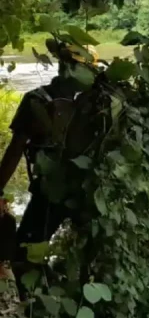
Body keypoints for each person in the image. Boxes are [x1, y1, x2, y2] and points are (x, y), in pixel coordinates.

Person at [0, 42, 98, 300]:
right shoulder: (101, 101)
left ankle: (36, 312)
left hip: (56, 193)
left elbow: (15, 150)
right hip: (88, 194)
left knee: (25, 253)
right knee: (87, 258)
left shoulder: (39, 99)